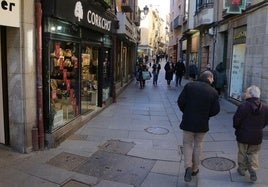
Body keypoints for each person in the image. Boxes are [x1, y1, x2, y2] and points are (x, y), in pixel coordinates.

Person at [177, 70, 220, 182]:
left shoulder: (190, 86)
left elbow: (180, 101)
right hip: (202, 124)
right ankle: (195, 168)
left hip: (188, 122)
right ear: (209, 78)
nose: (213, 81)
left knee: (187, 144)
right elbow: (216, 110)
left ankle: (188, 167)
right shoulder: (213, 92)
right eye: (213, 79)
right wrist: (206, 114)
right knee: (198, 145)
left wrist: (186, 112)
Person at [233, 85, 268, 182]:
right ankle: (253, 169)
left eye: (247, 92)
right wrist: (259, 128)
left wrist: (237, 128)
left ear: (250, 94)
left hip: (243, 134)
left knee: (242, 152)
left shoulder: (243, 105)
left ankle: (242, 169)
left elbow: (236, 121)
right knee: (254, 153)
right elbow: (266, 121)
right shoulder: (265, 107)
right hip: (257, 135)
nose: (245, 93)